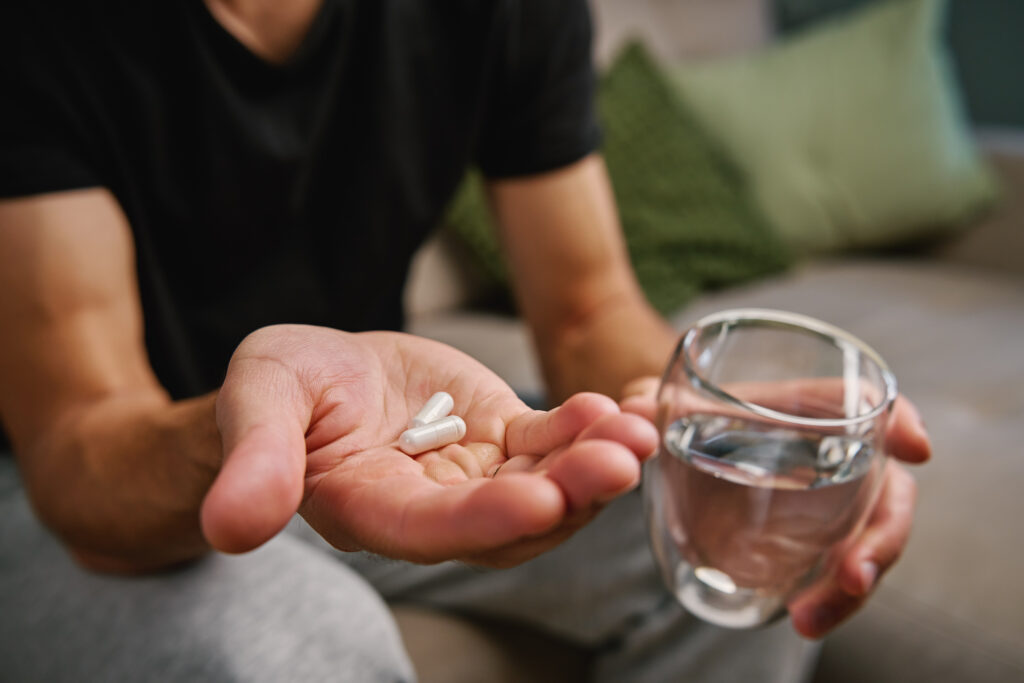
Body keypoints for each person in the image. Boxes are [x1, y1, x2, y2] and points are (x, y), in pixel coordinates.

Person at [0, 1, 930, 681]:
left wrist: (714, 423)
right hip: (106, 486)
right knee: (293, 643)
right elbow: (78, 443)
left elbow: (584, 309)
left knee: (736, 548)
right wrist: (244, 432)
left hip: (374, 437)